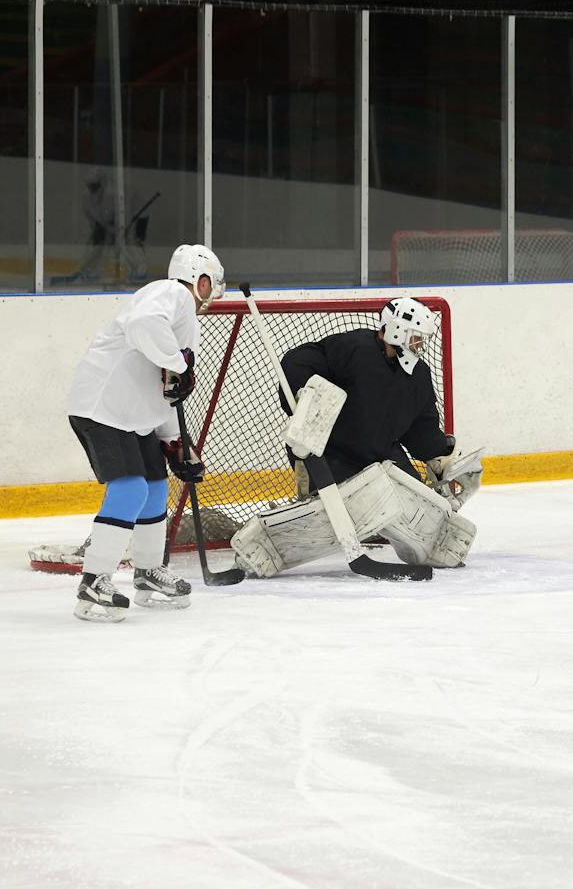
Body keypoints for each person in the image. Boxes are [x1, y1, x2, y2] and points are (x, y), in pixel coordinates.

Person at [227, 296, 482, 581]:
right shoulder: (354, 348)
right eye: (416, 338)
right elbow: (298, 360)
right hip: (332, 453)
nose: (420, 345)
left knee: (415, 499)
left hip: (381, 455)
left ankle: (433, 544)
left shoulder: (418, 374)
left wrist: (438, 454)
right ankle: (266, 545)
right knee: (338, 512)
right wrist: (302, 393)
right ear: (397, 330)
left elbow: (420, 426)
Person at [63, 242, 224, 621]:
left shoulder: (179, 321)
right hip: (102, 409)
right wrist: (180, 365)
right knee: (131, 488)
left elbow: (164, 388)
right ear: (199, 281)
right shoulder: (170, 294)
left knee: (154, 486)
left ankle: (149, 572)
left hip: (132, 416)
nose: (213, 296)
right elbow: (143, 326)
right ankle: (94, 581)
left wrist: (173, 442)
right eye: (212, 285)